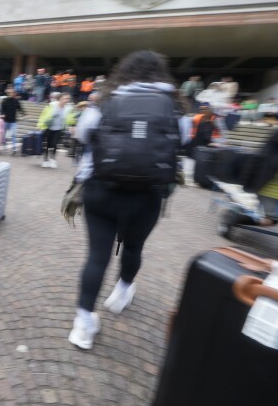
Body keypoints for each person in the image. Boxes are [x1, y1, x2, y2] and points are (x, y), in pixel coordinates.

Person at [68, 50, 191, 350]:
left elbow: (83, 134)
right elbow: (184, 140)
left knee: (97, 256)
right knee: (134, 246)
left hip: (102, 190)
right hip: (147, 195)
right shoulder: (174, 108)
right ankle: (123, 290)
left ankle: (83, 326)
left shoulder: (106, 101)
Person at [37, 92, 72, 168]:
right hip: (48, 128)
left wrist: (70, 125)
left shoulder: (68, 108)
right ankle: (45, 160)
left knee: (54, 144)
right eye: (64, 98)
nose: (66, 100)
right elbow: (43, 115)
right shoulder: (52, 105)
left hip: (59, 129)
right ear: (60, 98)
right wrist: (40, 125)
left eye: (68, 99)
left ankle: (52, 160)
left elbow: (69, 118)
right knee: (48, 144)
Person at [0, 87, 26, 154]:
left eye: (13, 93)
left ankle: (14, 149)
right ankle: (4, 147)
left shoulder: (16, 101)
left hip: (13, 121)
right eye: (11, 93)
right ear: (8, 93)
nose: (12, 94)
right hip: (5, 121)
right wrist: (2, 114)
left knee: (14, 134)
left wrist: (24, 114)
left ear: (15, 94)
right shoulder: (5, 100)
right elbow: (1, 108)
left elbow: (20, 108)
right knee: (4, 135)